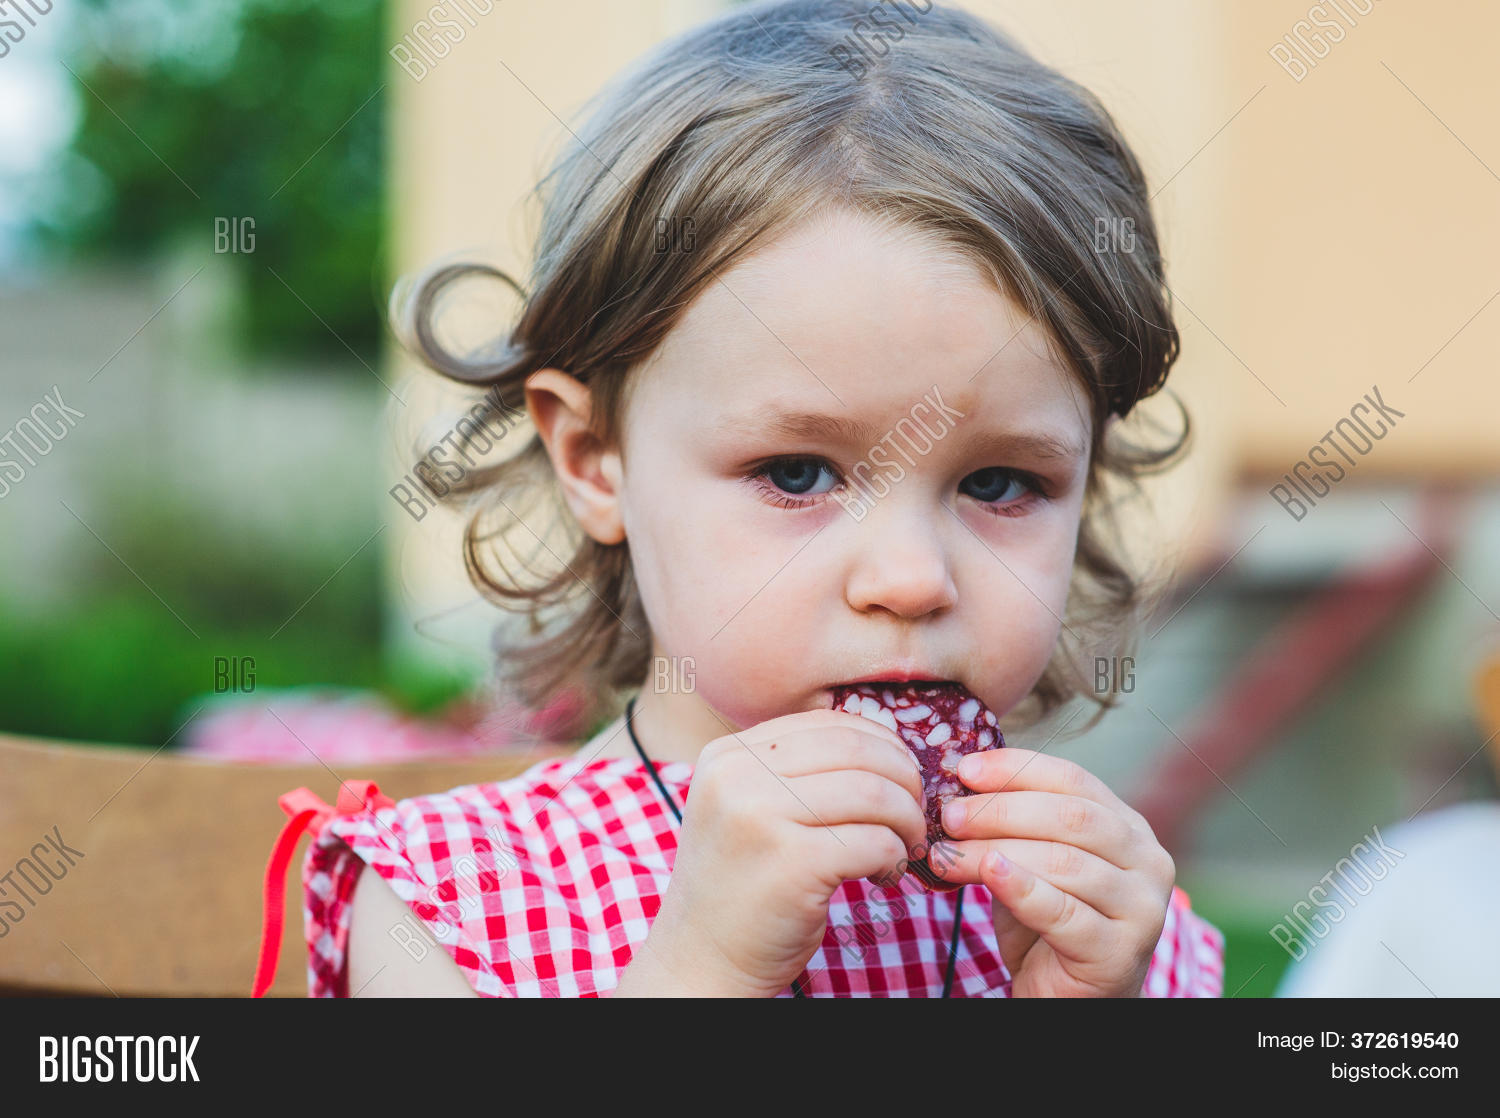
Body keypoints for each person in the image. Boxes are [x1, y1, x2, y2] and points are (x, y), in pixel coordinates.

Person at [253, 0, 1224, 998]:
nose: (911, 578)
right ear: (595, 459)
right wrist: (699, 973)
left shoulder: (1118, 930)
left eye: (1000, 482)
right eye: (798, 473)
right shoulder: (453, 905)